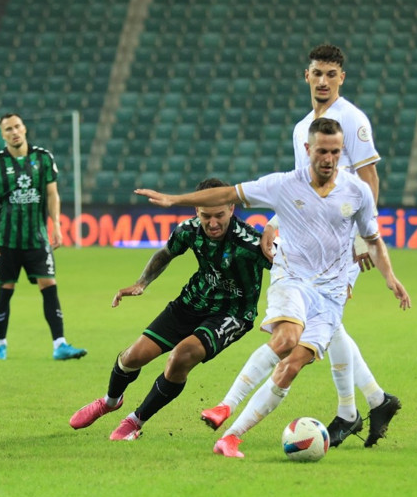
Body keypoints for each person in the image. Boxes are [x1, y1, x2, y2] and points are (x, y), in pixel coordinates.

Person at [136, 118, 411, 458]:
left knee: (292, 365)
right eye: (322, 151)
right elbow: (226, 193)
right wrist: (173, 199)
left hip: (331, 294)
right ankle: (225, 405)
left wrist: (390, 277)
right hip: (292, 278)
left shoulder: (357, 192)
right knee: (285, 339)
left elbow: (373, 239)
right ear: (308, 150)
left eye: (336, 152)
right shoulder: (283, 184)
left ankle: (232, 437)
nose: (328, 158)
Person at [201, 44, 401, 449]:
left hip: (342, 243)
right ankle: (370, 403)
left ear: (341, 78)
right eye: (317, 73)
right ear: (306, 76)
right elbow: (299, 189)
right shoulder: (301, 128)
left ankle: (355, 408)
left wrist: (364, 238)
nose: (323, 81)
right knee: (328, 323)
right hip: (306, 242)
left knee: (326, 322)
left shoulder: (352, 120)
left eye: (331, 73)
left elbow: (369, 180)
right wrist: (274, 223)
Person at [69, 178, 273, 440]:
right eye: (205, 216)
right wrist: (141, 283)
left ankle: (135, 420)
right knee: (132, 357)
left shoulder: (252, 244)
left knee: (180, 357)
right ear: (196, 211)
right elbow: (166, 253)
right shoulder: (188, 230)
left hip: (232, 314)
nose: (212, 223)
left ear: (232, 209)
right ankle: (110, 401)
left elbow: (289, 268)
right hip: (191, 302)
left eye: (219, 215)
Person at [0, 113, 86, 361]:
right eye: (8, 129)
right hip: (6, 240)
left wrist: (56, 226)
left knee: (49, 286)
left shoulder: (43, 158)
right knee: (5, 290)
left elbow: (52, 195)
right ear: (2, 134)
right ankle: (0, 345)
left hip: (37, 238)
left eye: (17, 126)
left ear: (24, 129)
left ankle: (59, 345)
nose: (14, 132)